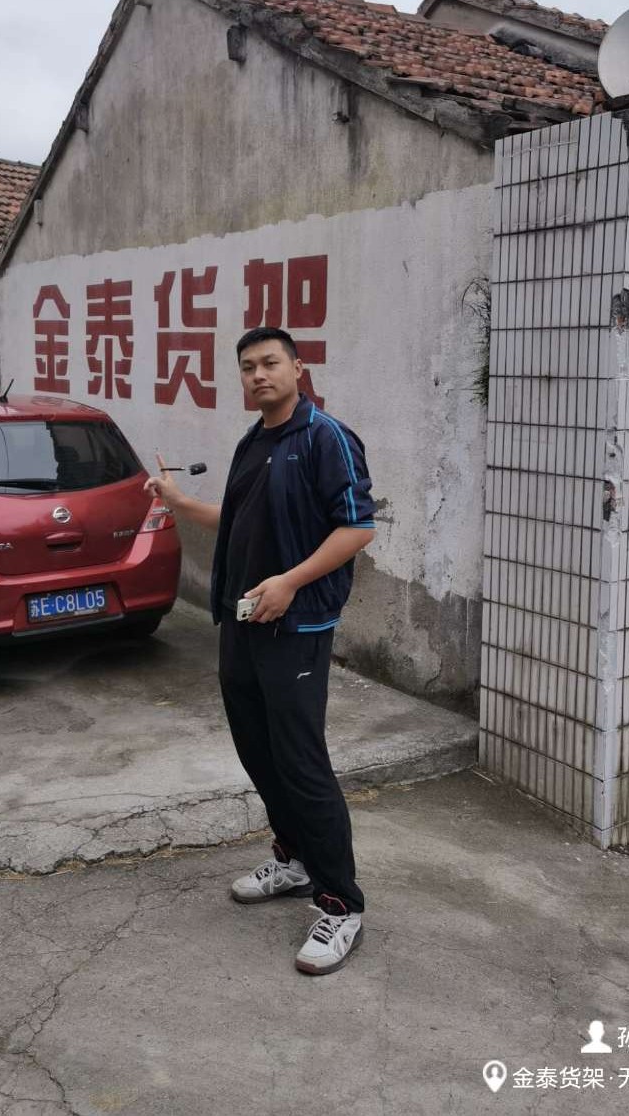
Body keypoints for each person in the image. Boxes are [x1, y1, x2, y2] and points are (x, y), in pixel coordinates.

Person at [144, 327, 376, 975]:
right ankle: (294, 861)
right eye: (247, 367)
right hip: (242, 622)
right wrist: (180, 502)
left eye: (270, 362)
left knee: (301, 762)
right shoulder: (253, 442)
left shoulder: (326, 438)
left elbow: (357, 526)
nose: (258, 375)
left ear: (298, 368)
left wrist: (290, 581)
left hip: (295, 627)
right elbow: (240, 520)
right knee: (258, 751)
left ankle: (340, 904)